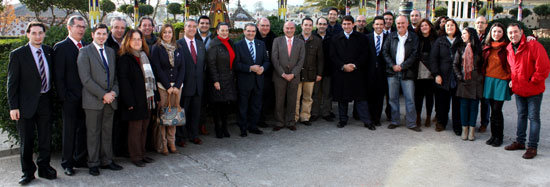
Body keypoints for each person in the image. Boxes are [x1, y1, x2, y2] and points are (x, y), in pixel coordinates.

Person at [8, 21, 57, 185]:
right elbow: (12, 83)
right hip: (25, 104)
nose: (38, 36)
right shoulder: (18, 54)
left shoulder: (49, 51)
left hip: (45, 100)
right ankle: (28, 172)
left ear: (44, 34)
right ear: (28, 34)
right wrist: (13, 106)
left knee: (45, 138)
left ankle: (44, 167)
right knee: (26, 140)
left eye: (40, 33)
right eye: (34, 33)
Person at [77, 23, 123, 176]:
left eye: (104, 34)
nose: (102, 37)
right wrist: (103, 95)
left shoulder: (110, 52)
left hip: (110, 100)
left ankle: (107, 161)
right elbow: (86, 79)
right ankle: (93, 163)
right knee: (93, 133)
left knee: (107, 132)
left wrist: (113, 93)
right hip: (93, 101)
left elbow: (115, 77)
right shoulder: (85, 52)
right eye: (99, 34)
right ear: (92, 35)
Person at [504, 23, 550, 159]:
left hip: (533, 90)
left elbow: (543, 66)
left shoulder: (533, 45)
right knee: (521, 116)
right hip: (519, 89)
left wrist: (532, 80)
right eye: (510, 33)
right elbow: (514, 68)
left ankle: (532, 147)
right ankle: (520, 141)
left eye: (515, 32)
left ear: (521, 32)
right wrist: (513, 80)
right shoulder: (509, 48)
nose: (513, 35)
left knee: (534, 118)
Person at [53, 15, 88, 176]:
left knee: (83, 129)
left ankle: (80, 158)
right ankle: (67, 163)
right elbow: (58, 76)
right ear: (69, 27)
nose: (81, 29)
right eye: (78, 26)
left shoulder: (86, 46)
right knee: (69, 131)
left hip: (87, 97)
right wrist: (64, 97)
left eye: (83, 27)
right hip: (70, 98)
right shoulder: (61, 47)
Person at [117, 29, 157, 167]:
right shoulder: (125, 58)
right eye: (133, 39)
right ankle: (135, 156)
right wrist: (129, 102)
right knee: (135, 130)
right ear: (128, 41)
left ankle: (143, 154)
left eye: (139, 39)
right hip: (134, 100)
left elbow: (152, 78)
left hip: (147, 99)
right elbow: (124, 81)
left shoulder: (144, 55)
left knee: (144, 129)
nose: (137, 42)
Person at [330, 16, 373, 129]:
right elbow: (333, 56)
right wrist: (343, 66)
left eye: (349, 24)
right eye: (344, 24)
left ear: (353, 24)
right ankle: (343, 120)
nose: (346, 26)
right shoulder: (335, 38)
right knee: (342, 99)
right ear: (342, 25)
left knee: (360, 98)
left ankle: (367, 121)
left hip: (357, 72)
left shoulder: (361, 38)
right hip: (342, 72)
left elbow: (365, 54)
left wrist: (354, 65)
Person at [151, 24, 185, 154]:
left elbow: (182, 68)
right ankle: (163, 144)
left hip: (177, 88)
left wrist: (176, 86)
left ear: (173, 34)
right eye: (164, 32)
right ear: (161, 34)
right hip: (163, 87)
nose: (167, 34)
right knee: (163, 115)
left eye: (169, 32)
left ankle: (172, 142)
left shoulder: (179, 48)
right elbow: (157, 68)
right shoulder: (156, 48)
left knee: (173, 115)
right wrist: (168, 86)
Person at [383, 15, 420, 132]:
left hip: (407, 72)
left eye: (402, 23)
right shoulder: (391, 36)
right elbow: (385, 52)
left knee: (410, 99)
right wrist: (392, 65)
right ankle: (395, 121)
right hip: (392, 72)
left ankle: (411, 123)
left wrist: (402, 66)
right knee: (393, 98)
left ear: (407, 24)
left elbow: (415, 54)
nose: (400, 25)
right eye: (398, 23)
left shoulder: (414, 37)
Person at [234, 23, 270, 137]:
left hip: (258, 80)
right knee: (243, 106)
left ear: (256, 32)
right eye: (248, 31)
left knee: (256, 105)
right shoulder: (238, 45)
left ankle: (253, 126)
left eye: (253, 31)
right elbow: (236, 64)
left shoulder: (261, 44)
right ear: (244, 32)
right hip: (244, 81)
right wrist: (250, 68)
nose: (251, 33)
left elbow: (267, 61)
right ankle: (243, 128)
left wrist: (263, 68)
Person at [176, 19, 206, 145]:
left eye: (194, 26)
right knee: (183, 112)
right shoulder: (178, 44)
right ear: (185, 28)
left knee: (195, 113)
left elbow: (202, 64)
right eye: (189, 26)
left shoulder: (200, 44)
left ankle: (194, 135)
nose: (192, 29)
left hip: (198, 85)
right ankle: (180, 137)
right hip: (184, 85)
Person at [430, 19, 463, 135]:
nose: (449, 27)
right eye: (447, 25)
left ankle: (457, 126)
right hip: (443, 76)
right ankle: (441, 122)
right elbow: (433, 59)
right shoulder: (440, 41)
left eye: (452, 25)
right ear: (444, 28)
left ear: (456, 27)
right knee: (442, 102)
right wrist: (436, 74)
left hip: (457, 76)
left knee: (457, 103)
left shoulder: (461, 41)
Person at [271, 21, 305, 131]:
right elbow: (274, 59)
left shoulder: (300, 42)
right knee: (279, 100)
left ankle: (291, 122)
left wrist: (293, 74)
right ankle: (279, 122)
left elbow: (301, 60)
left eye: (291, 28)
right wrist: (282, 73)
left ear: (295, 29)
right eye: (287, 28)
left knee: (292, 99)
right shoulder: (277, 41)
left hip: (294, 77)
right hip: (279, 76)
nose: (289, 30)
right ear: (283, 29)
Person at [206, 22, 238, 138]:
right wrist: (215, 80)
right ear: (217, 31)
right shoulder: (213, 44)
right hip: (218, 79)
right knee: (217, 105)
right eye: (222, 30)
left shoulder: (230, 43)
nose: (225, 33)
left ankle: (225, 127)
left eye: (226, 30)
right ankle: (218, 128)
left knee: (226, 105)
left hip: (228, 79)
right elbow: (211, 64)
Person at [481, 22, 511, 147]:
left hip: (502, 80)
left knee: (497, 110)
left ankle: (499, 137)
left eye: (499, 31)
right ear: (490, 33)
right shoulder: (487, 46)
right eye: (494, 31)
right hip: (489, 80)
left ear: (503, 33)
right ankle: (493, 136)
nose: (496, 34)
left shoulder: (507, 47)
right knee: (492, 110)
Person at [453, 27, 483, 141]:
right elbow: (455, 64)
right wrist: (460, 77)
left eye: (464, 33)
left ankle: (472, 130)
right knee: (464, 106)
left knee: (474, 107)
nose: (462, 36)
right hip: (464, 81)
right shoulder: (460, 48)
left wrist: (480, 78)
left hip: (476, 82)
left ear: (470, 34)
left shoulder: (479, 49)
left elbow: (483, 66)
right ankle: (464, 129)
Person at [295, 17, 324, 126]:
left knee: (308, 97)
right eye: (305, 25)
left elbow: (320, 59)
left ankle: (305, 117)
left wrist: (319, 73)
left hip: (311, 74)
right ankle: (294, 117)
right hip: (297, 74)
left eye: (310, 25)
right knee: (296, 97)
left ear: (312, 27)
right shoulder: (296, 39)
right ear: (301, 26)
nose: (307, 27)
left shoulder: (317, 40)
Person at [311, 17, 336, 122]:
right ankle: (314, 113)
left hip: (328, 70)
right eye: (320, 23)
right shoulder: (312, 36)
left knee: (327, 93)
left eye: (324, 24)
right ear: (317, 25)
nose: (322, 26)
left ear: (327, 25)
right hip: (314, 70)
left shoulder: (332, 37)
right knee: (315, 93)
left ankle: (326, 113)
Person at [414, 19, 437, 128]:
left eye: (426, 25)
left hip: (432, 69)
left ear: (430, 27)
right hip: (419, 69)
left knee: (429, 96)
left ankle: (428, 116)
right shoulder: (416, 38)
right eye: (422, 25)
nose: (424, 27)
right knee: (418, 95)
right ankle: (418, 116)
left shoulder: (435, 38)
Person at [255, 17, 277, 128]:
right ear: (258, 26)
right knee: (255, 97)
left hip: (269, 74)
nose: (265, 28)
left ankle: (262, 118)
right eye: (262, 25)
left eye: (267, 26)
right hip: (254, 73)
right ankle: (254, 119)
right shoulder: (252, 36)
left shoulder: (274, 39)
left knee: (266, 97)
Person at [366, 16, 388, 127]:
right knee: (370, 95)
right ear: (373, 25)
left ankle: (377, 118)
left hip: (383, 72)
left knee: (380, 96)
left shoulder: (388, 37)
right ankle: (369, 118)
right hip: (369, 72)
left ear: (384, 26)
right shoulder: (367, 38)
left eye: (381, 24)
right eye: (377, 24)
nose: (379, 26)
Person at [474, 16, 491, 133]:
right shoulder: (472, 36)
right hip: (474, 73)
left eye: (482, 23)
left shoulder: (490, 37)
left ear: (486, 25)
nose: (480, 25)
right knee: (473, 99)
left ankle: (484, 123)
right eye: (478, 23)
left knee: (485, 101)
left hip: (486, 73)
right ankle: (471, 122)